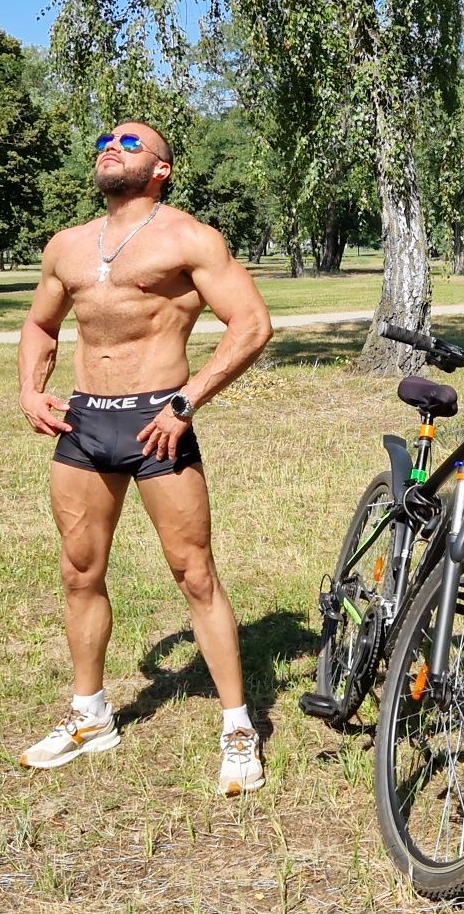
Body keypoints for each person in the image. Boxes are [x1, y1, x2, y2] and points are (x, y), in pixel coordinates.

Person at [16, 121, 273, 794]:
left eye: (130, 143)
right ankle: (90, 715)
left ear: (161, 168)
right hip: (83, 423)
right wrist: (28, 390)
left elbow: (251, 324)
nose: (111, 146)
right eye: (105, 138)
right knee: (79, 572)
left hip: (158, 420)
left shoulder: (189, 238)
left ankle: (239, 728)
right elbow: (42, 323)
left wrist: (186, 402)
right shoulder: (68, 245)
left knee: (194, 575)